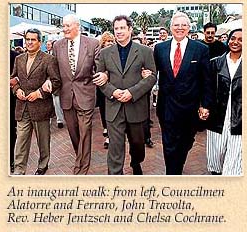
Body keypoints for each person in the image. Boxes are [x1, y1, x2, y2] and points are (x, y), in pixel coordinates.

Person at [94, 15, 157, 175]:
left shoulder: (145, 51)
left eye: (122, 28)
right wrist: (113, 91)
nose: (119, 31)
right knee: (115, 147)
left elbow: (152, 77)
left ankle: (136, 163)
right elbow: (99, 79)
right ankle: (115, 177)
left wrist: (131, 92)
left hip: (136, 106)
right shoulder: (105, 53)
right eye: (116, 28)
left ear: (130, 29)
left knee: (137, 144)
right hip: (114, 107)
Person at [43, 14, 104, 175]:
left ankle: (81, 168)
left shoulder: (92, 44)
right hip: (66, 96)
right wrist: (49, 79)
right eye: (63, 26)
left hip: (86, 94)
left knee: (85, 132)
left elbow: (100, 68)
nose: (65, 29)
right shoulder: (57, 45)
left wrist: (104, 75)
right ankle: (81, 156)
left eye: (68, 26)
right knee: (73, 132)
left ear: (78, 26)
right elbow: (53, 69)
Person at [154, 12, 213, 175]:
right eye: (176, 25)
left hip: (190, 108)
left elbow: (206, 79)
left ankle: (176, 167)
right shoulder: (160, 48)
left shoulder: (201, 49)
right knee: (169, 144)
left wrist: (206, 105)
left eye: (183, 25)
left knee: (186, 142)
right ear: (171, 27)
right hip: (166, 107)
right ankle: (172, 175)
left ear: (189, 28)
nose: (180, 28)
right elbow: (154, 73)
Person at [10, 28, 61, 175]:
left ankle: (43, 165)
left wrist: (39, 93)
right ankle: (19, 170)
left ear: (40, 41)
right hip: (22, 107)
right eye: (28, 39)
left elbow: (56, 81)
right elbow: (14, 79)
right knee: (21, 142)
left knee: (43, 141)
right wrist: (16, 90)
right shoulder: (19, 59)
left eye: (33, 39)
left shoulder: (48, 59)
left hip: (41, 107)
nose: (30, 42)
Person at [206, 29, 242, 175]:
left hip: (240, 118)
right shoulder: (215, 63)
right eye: (233, 38)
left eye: (240, 39)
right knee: (216, 158)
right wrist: (204, 107)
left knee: (234, 162)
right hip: (217, 116)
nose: (235, 42)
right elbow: (207, 89)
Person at [96, 31, 115, 149]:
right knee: (103, 110)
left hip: (114, 87)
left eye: (111, 41)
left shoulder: (116, 53)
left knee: (113, 111)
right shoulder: (99, 55)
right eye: (107, 41)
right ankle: (107, 130)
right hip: (102, 87)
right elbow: (98, 70)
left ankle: (111, 133)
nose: (109, 43)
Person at [45, 40, 64, 129]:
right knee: (52, 102)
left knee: (57, 101)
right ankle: (51, 119)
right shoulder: (47, 55)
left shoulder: (59, 56)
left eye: (49, 44)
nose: (47, 46)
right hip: (49, 83)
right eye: (47, 44)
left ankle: (59, 120)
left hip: (58, 83)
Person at [9, 49, 20, 173]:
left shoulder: (16, 57)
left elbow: (21, 75)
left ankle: (11, 159)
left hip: (9, 100)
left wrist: (15, 80)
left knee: (10, 131)